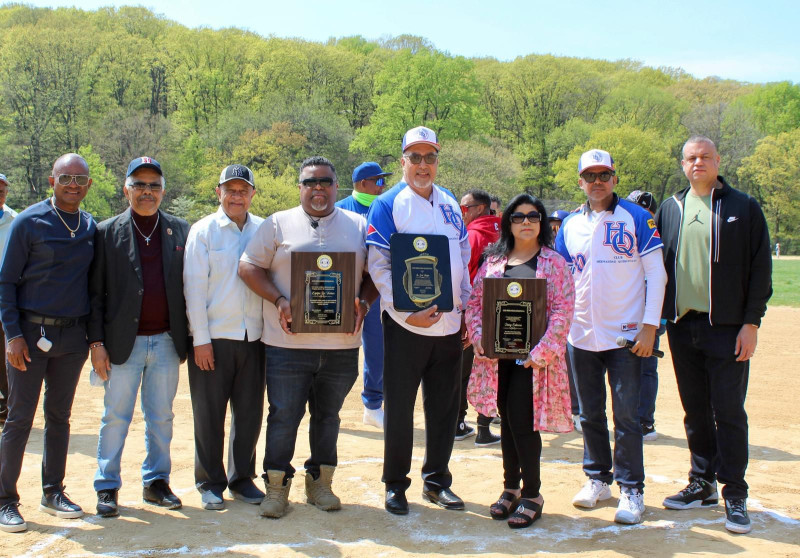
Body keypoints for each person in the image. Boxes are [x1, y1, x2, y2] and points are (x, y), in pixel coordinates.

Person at [239, 156, 376, 519]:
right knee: (284, 415)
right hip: (287, 344)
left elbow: (377, 272)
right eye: (311, 182)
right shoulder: (276, 223)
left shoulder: (359, 225)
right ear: (300, 187)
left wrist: (363, 301)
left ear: (336, 187)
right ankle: (276, 486)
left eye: (326, 182)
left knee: (328, 416)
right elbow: (248, 266)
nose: (318, 189)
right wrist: (280, 300)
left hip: (342, 345)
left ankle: (320, 483)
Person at [655, 136, 772, 534]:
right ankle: (701, 481)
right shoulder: (671, 209)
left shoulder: (744, 207)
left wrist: (751, 323)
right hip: (683, 325)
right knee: (695, 411)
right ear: (682, 164)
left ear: (718, 161)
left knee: (729, 412)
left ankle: (735, 493)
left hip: (726, 327)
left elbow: (760, 270)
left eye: (705, 156)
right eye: (691, 157)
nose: (698, 162)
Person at [555, 148, 666, 525]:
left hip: (627, 337)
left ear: (614, 179)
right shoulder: (569, 224)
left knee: (627, 418)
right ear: (580, 182)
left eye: (604, 175)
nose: (597, 182)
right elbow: (560, 278)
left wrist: (650, 326)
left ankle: (632, 488)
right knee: (589, 414)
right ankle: (597, 478)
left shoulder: (637, 218)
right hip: (582, 334)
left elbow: (657, 274)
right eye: (590, 176)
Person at [366, 126, 470, 515]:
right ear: (403, 161)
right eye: (416, 157)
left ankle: (436, 480)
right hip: (406, 325)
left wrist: (467, 305)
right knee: (400, 407)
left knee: (444, 407)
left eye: (430, 157)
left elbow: (461, 258)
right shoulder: (388, 202)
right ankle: (396, 484)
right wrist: (405, 310)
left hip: (449, 324)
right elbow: (378, 264)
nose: (423, 165)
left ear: (437, 161)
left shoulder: (449, 203)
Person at [88, 157, 190, 518]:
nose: (147, 192)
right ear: (126, 189)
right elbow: (94, 293)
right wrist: (96, 343)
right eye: (140, 185)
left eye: (154, 185)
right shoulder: (105, 232)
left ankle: (156, 482)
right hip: (120, 344)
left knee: (161, 416)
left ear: (163, 190)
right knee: (116, 417)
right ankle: (107, 486)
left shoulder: (180, 230)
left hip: (165, 340)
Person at [466, 194, 574, 528]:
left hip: (534, 363)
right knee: (508, 424)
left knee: (524, 425)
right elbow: (475, 305)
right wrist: (479, 337)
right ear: (507, 223)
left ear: (541, 222)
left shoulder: (554, 264)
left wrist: (539, 353)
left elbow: (562, 312)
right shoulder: (494, 261)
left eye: (532, 216)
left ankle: (533, 494)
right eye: (518, 216)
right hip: (497, 361)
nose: (526, 222)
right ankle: (510, 488)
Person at [0, 154, 96, 533]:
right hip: (29, 334)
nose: (73, 184)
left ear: (88, 185)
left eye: (80, 179)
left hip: (72, 337)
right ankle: (5, 500)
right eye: (66, 177)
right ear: (51, 181)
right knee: (20, 418)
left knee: (59, 417)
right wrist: (12, 335)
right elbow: (5, 283)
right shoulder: (29, 221)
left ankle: (53, 491)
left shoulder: (89, 226)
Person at [184, 164, 266, 511]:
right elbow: (193, 289)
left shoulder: (264, 229)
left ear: (252, 194)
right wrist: (200, 339)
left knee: (249, 412)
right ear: (218, 192)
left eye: (242, 190)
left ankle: (242, 479)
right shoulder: (203, 231)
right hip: (214, 338)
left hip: (255, 337)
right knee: (209, 414)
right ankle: (210, 482)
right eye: (229, 190)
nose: (236, 196)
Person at [336, 162, 392, 430]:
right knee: (337, 349)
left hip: (376, 289)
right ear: (361, 184)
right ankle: (328, 406)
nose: (383, 186)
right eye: (378, 181)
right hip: (344, 289)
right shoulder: (341, 209)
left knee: (377, 349)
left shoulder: (388, 208)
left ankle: (372, 405)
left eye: (383, 181)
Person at [457, 188, 501, 445]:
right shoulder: (507, 231)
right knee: (492, 371)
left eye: (466, 208)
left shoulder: (473, 235)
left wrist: (465, 318)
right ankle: (484, 427)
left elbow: (464, 274)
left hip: (475, 313)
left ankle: (458, 423)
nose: (463, 213)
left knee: (463, 371)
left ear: (480, 208)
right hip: (504, 311)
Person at [626, 190, 666, 442]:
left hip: (651, 313)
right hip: (626, 310)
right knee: (625, 368)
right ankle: (629, 418)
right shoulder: (624, 232)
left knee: (647, 369)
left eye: (643, 209)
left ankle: (644, 421)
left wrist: (658, 319)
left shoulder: (657, 236)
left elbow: (662, 277)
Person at [546, 208, 579, 432]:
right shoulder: (545, 246)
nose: (555, 226)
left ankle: (576, 411)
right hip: (550, 314)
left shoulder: (571, 247)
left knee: (570, 364)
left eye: (560, 222)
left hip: (572, 313)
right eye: (553, 222)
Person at [0, 174, 18, 431]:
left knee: (5, 355)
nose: (0, 193)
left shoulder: (15, 221)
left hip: (5, 297)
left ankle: (6, 409)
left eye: (3, 189)